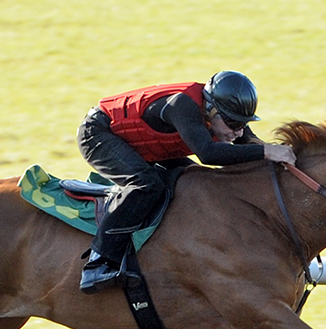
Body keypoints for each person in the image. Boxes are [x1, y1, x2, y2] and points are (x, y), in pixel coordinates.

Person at [76, 70, 296, 294]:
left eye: (243, 123)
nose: (237, 132)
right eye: (232, 124)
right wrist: (268, 152)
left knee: (197, 180)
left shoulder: (226, 114)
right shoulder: (182, 105)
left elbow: (251, 146)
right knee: (147, 184)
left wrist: (285, 159)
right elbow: (209, 154)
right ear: (210, 109)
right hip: (98, 134)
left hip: (143, 146)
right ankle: (99, 262)